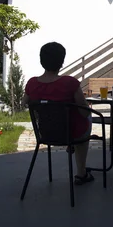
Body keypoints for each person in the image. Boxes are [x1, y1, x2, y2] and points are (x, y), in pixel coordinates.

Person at [22, 42, 94, 185]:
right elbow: (84, 111)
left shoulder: (32, 83)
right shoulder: (70, 83)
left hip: (46, 133)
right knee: (88, 118)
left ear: (41, 61)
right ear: (61, 62)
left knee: (74, 122)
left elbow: (25, 103)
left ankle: (71, 144)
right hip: (70, 132)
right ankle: (81, 173)